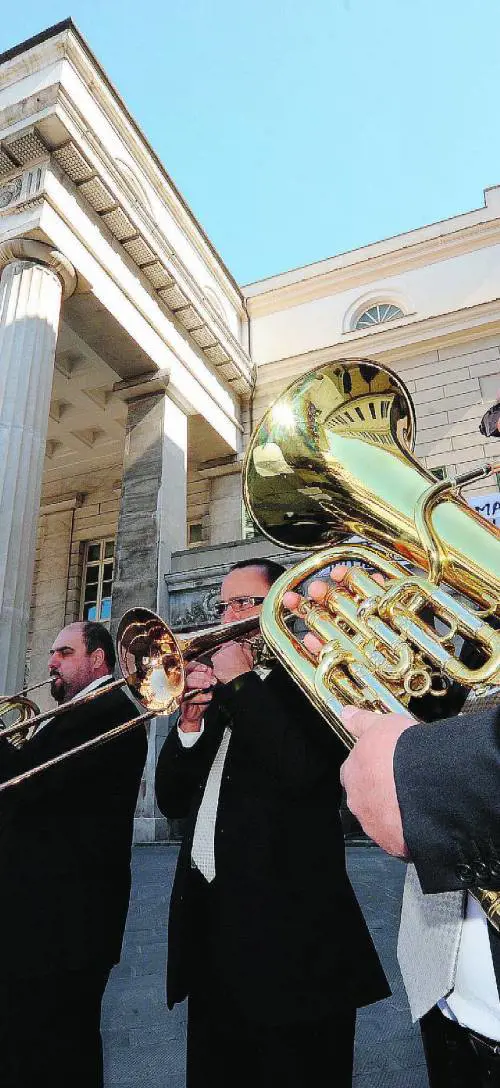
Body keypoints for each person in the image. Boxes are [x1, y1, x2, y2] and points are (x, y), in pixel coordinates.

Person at [155, 558, 390, 1088]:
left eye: (243, 603)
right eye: (223, 605)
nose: (226, 616)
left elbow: (305, 775)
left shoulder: (319, 677)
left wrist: (240, 683)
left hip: (295, 953)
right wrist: (190, 723)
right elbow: (172, 801)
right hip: (214, 944)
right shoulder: (221, 696)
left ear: (283, 608)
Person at [0, 621, 148, 1088]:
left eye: (64, 653)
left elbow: (27, 785)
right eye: (51, 654)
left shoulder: (104, 710)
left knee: (52, 1050)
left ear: (97, 659)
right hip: (51, 921)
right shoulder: (81, 712)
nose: (51, 664)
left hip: (62, 924)